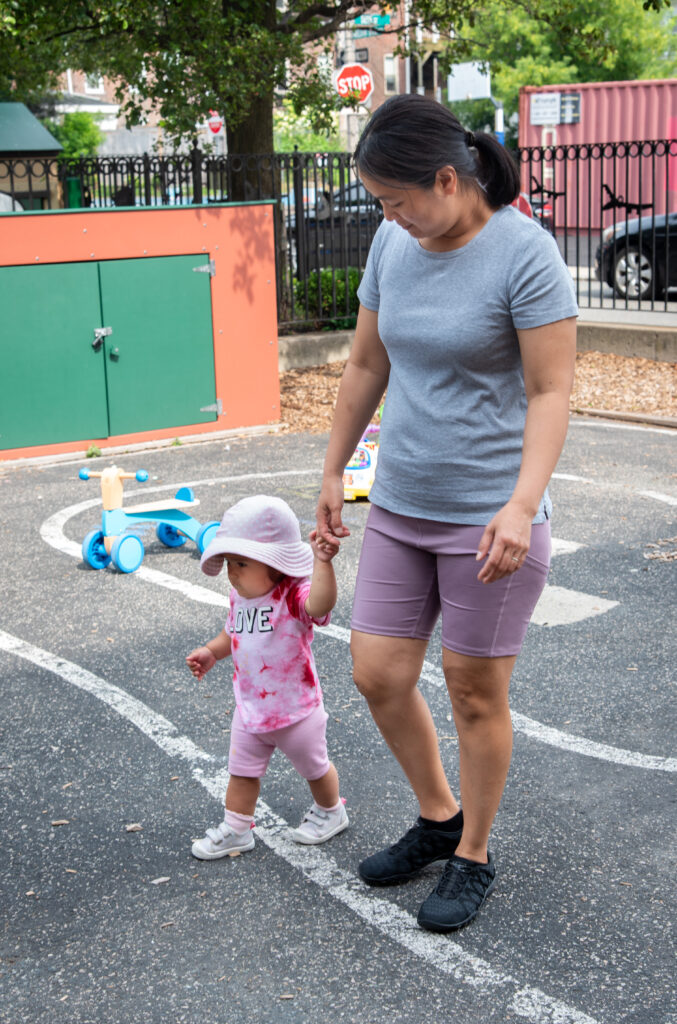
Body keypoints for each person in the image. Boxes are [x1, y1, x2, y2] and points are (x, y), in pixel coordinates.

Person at [316, 94, 578, 932]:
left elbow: (550, 391)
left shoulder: (524, 254)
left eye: (396, 200)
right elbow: (364, 365)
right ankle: (439, 818)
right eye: (378, 205)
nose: (386, 218)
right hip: (400, 502)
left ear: (447, 179)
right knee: (377, 674)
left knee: (473, 692)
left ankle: (473, 855)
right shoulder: (396, 243)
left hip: (489, 518)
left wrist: (521, 505)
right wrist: (329, 470)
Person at [187, 495, 348, 859]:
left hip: (296, 711)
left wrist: (323, 564)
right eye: (229, 562)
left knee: (315, 767)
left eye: (242, 563)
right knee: (241, 771)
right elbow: (234, 633)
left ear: (277, 566)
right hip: (250, 709)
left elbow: (320, 606)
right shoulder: (240, 598)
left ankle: (330, 810)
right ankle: (237, 828)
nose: (232, 572)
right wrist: (213, 651)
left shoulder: (291, 595)